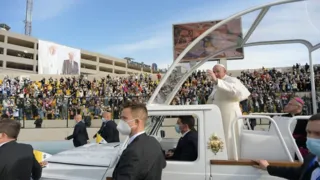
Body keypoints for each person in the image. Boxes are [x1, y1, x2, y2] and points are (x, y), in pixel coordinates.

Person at [253, 113, 320, 179]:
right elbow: (298, 173)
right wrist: (268, 167)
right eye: (309, 132)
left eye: (318, 133)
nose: (311, 137)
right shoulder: (311, 158)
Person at [112, 102, 166, 180]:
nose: (121, 122)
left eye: (124, 118)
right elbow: (163, 164)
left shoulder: (132, 151)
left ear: (137, 122)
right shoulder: (154, 142)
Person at [206, 64, 250, 159]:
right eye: (214, 72)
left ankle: (231, 159)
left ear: (224, 71)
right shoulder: (217, 83)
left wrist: (217, 81)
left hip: (230, 116)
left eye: (217, 71)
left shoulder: (232, 80)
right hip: (219, 116)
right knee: (219, 137)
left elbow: (236, 91)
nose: (215, 74)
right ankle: (219, 157)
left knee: (229, 137)